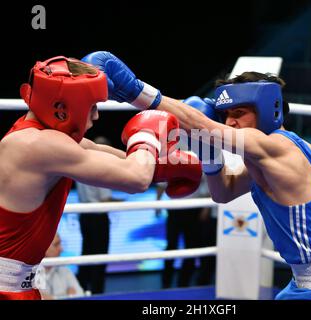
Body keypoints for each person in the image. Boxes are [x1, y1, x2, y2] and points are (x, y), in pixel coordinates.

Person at [83, 51, 311, 300]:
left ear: (267, 109)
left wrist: (136, 91)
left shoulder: (278, 147)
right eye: (226, 115)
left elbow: (203, 123)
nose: (230, 122)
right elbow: (223, 192)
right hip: (305, 284)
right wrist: (210, 156)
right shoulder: (267, 157)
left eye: (239, 113)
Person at [0, 56, 202, 300]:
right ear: (62, 110)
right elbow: (134, 178)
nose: (96, 116)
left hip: (18, 283)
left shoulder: (36, 134)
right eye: (91, 106)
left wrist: (166, 167)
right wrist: (147, 136)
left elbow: (98, 152)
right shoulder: (38, 145)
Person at [76, 136, 121, 294]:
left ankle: (80, 289)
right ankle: (97, 293)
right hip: (98, 218)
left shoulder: (80, 164)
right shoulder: (102, 167)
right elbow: (105, 199)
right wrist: (122, 202)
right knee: (99, 257)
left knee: (86, 253)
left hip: (85, 216)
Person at [156, 174, 210, 288]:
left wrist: (206, 208)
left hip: (194, 209)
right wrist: (157, 203)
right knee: (171, 246)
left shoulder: (202, 157)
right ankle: (166, 283)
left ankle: (183, 284)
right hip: (174, 209)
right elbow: (162, 183)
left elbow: (208, 183)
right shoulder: (171, 157)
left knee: (191, 247)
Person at [39, 233, 84, 300]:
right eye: (56, 245)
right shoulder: (28, 273)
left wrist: (50, 298)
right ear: (43, 247)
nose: (61, 249)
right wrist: (67, 296)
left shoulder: (65, 270)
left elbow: (80, 295)